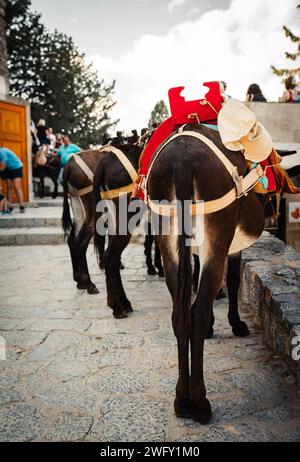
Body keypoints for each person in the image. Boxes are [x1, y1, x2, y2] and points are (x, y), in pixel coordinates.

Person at [0, 147, 25, 213]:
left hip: (16, 166)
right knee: (9, 187)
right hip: (7, 168)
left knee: (17, 186)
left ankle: (21, 206)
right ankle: (10, 206)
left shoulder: (2, 152)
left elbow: (2, 166)